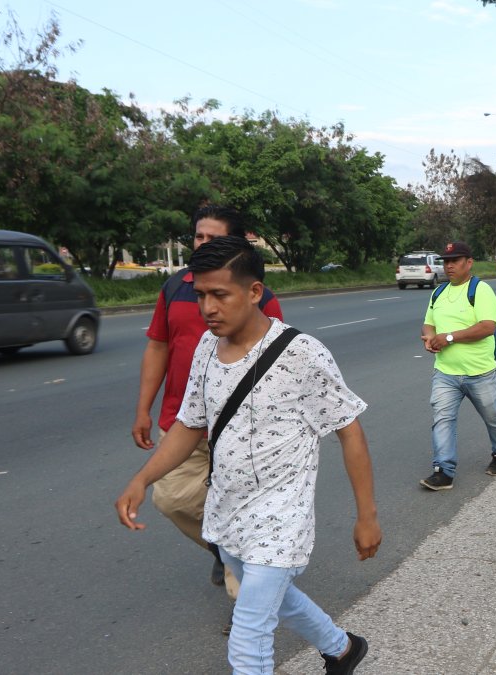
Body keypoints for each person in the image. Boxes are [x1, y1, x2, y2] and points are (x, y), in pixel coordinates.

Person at [115, 236, 380, 673]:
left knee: (248, 638)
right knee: (282, 600)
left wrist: (366, 516)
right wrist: (141, 479)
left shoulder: (302, 354)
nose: (208, 308)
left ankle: (332, 650)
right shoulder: (205, 349)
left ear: (254, 292)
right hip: (228, 511)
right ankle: (343, 649)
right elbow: (190, 426)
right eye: (200, 295)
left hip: (281, 520)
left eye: (220, 295)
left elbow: (349, 431)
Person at [131, 205, 283, 624]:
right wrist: (143, 408)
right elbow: (158, 346)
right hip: (181, 421)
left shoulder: (261, 296)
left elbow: (269, 363)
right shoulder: (175, 287)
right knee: (172, 498)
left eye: (213, 239)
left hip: (235, 428)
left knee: (237, 507)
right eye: (198, 237)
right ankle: (226, 547)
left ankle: (248, 614)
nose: (202, 244)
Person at [419, 241, 496, 490]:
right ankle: (443, 471)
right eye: (446, 261)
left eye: (455, 260)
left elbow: (486, 327)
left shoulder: (480, 290)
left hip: (479, 372)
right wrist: (429, 337)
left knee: (493, 417)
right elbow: (429, 323)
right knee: (443, 419)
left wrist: (448, 337)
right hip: (445, 372)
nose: (449, 266)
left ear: (468, 263)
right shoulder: (438, 292)